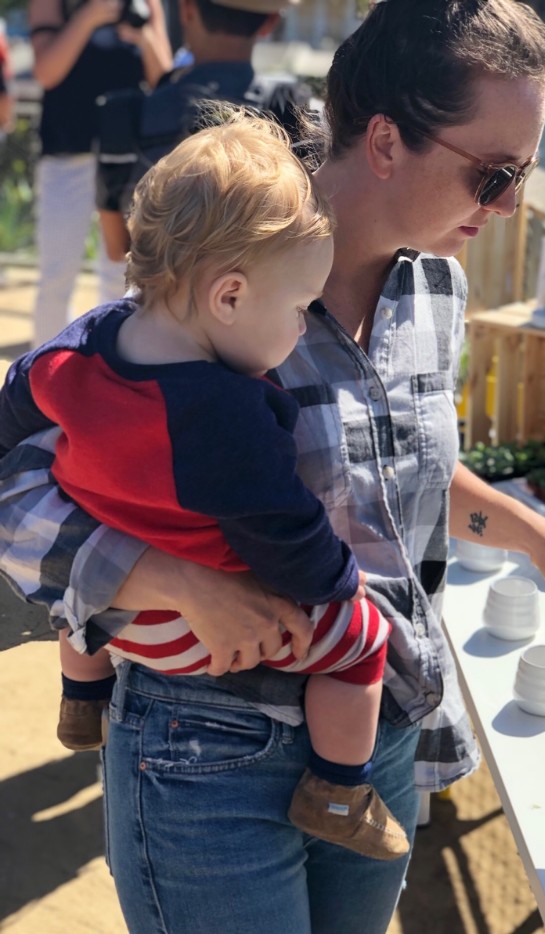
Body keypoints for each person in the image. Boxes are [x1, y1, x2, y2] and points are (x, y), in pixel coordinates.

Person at [0, 2, 545, 931]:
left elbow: (391, 468)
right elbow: (16, 487)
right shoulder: (225, 278)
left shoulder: (436, 287)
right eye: (495, 175)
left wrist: (536, 539)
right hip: (208, 748)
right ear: (385, 140)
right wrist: (175, 583)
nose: (509, 206)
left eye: (522, 175)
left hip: (378, 734)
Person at [0, 111, 409, 861]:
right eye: (297, 308)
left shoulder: (75, 354)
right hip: (194, 634)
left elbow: (14, 407)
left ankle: (82, 698)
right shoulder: (226, 416)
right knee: (361, 642)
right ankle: (339, 790)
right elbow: (282, 533)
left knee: (78, 569)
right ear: (229, 296)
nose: (300, 329)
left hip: (105, 618)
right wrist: (339, 582)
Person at [94, 0, 316, 263]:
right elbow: (303, 229)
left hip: (160, 283)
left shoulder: (124, 114)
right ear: (271, 22)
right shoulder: (289, 110)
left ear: (187, 10)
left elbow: (117, 247)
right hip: (253, 282)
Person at [28, 0, 172, 347]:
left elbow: (165, 82)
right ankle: (44, 369)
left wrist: (143, 36)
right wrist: (90, 15)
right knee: (56, 274)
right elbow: (46, 72)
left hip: (127, 156)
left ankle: (115, 364)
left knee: (124, 275)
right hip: (66, 153)